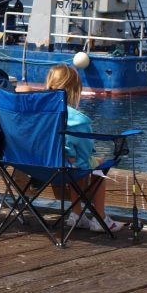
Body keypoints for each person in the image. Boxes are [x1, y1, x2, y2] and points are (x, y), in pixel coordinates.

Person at [45, 63, 124, 233]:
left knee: (75, 162)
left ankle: (77, 214)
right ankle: (100, 218)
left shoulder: (38, 111)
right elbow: (86, 152)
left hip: (38, 167)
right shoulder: (79, 120)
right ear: (75, 91)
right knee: (97, 167)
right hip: (64, 169)